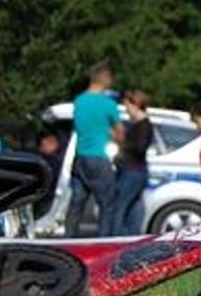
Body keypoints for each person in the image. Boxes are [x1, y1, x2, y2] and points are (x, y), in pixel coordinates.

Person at [66, 62, 122, 237]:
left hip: (80, 157)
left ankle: (69, 239)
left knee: (76, 204)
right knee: (107, 206)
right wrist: (113, 135)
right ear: (104, 79)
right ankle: (104, 242)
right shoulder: (108, 104)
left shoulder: (79, 101)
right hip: (99, 157)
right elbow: (120, 133)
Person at [112, 90, 154, 235]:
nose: (126, 110)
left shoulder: (143, 125)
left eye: (127, 106)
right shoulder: (138, 125)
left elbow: (139, 148)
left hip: (132, 171)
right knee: (133, 212)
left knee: (118, 209)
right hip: (135, 171)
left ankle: (114, 241)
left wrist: (122, 147)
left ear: (135, 105)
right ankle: (131, 240)